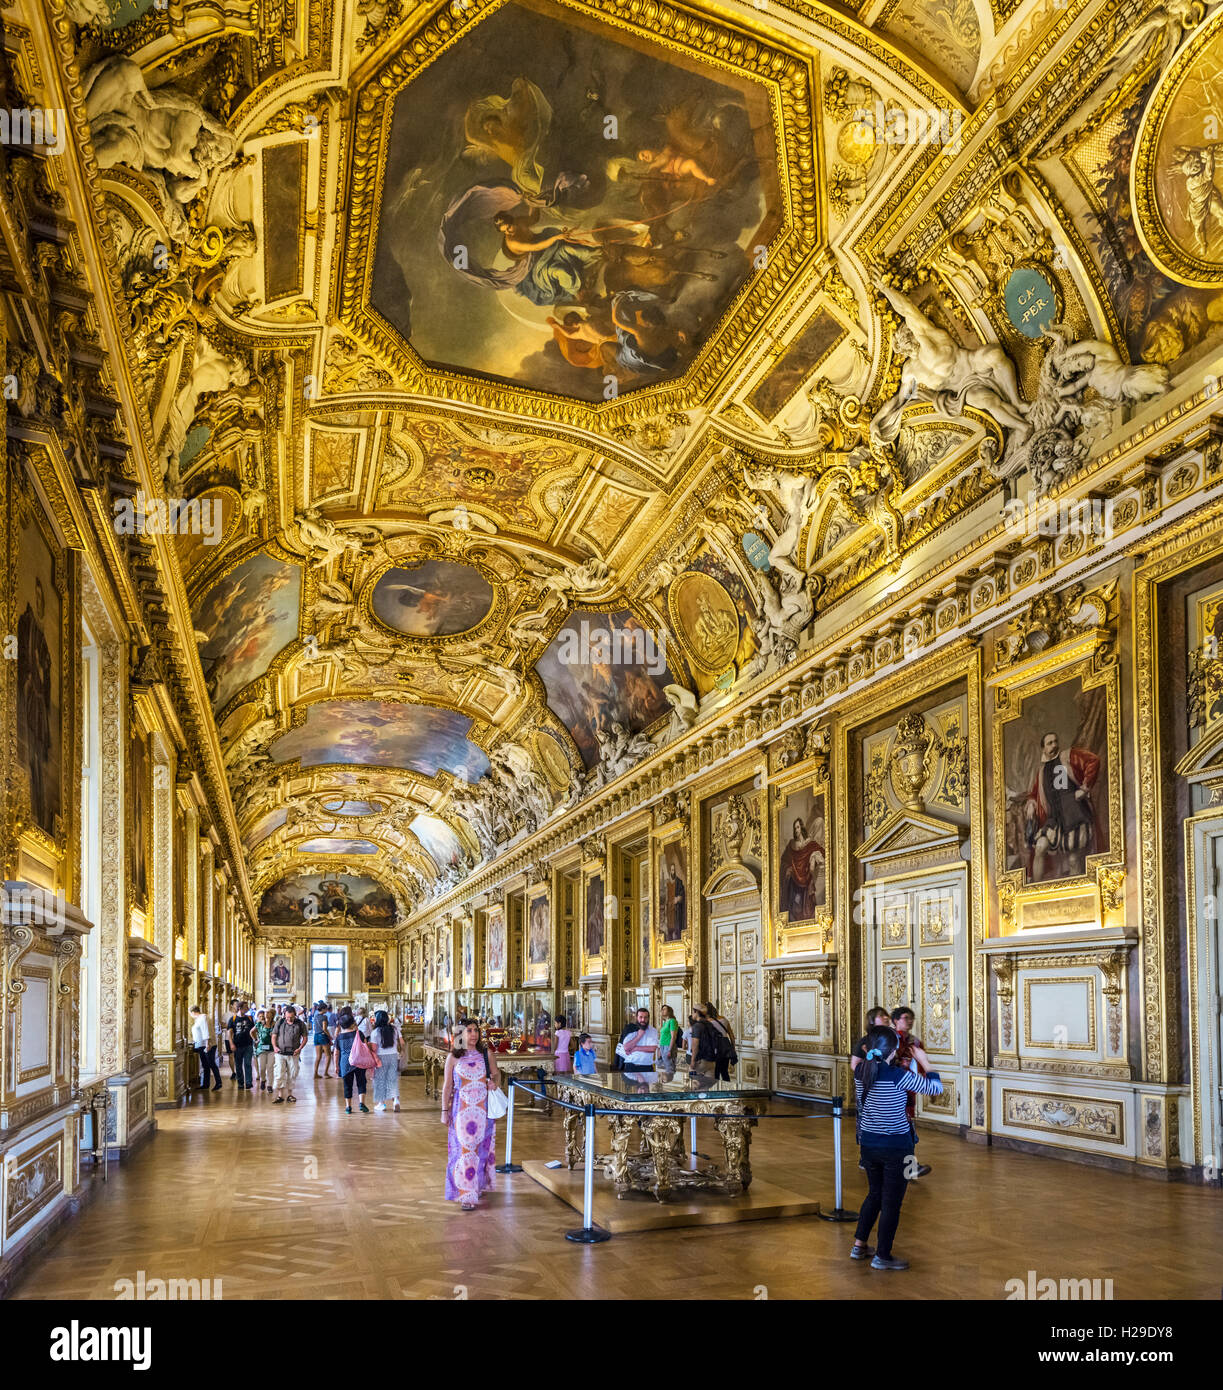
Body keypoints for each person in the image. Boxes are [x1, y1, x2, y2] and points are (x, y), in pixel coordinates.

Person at [851, 1023, 943, 1270]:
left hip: (869, 1145)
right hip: (897, 1149)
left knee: (874, 1194)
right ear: (892, 1051)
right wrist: (926, 1062)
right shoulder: (898, 1076)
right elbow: (936, 1088)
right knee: (892, 1202)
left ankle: (859, 1245)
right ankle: (883, 1255)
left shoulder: (860, 1072)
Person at [442, 1020, 502, 1211]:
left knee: (482, 1152)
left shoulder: (487, 1054)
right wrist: (444, 1111)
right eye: (469, 1031)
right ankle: (466, 1195)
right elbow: (447, 1086)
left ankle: (477, 1184)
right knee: (465, 1152)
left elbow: (497, 1074)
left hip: (483, 1112)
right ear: (461, 1033)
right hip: (462, 1112)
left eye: (476, 1030)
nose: (474, 1034)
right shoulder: (453, 1057)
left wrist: (494, 1083)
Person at [891, 1006, 933, 1177]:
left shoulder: (915, 1042)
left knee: (907, 1130)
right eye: (905, 1017)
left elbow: (921, 1067)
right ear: (895, 1020)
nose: (909, 1021)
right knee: (897, 1131)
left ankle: (909, 1168)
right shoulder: (891, 1040)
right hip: (892, 1091)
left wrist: (926, 1086)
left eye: (911, 1018)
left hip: (909, 1092)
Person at [334, 1009, 370, 1114]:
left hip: (345, 1063)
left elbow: (336, 1053)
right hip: (359, 1061)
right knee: (361, 1082)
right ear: (352, 1023)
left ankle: (348, 1107)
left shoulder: (339, 1037)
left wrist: (336, 1066)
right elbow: (366, 1046)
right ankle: (362, 1103)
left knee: (347, 1085)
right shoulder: (360, 1034)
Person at [271, 1005, 307, 1104]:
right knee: (279, 1072)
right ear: (284, 1015)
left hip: (293, 1053)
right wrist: (274, 1047)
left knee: (292, 1073)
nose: (289, 1019)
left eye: (291, 1017)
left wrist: (300, 1048)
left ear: (295, 1015)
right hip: (280, 1053)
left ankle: (290, 1095)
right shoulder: (280, 1022)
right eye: (287, 1017)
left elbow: (305, 1038)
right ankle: (280, 1095)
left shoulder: (300, 1024)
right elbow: (274, 1036)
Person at [371, 1009, 402, 1112]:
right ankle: (396, 1101)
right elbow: (400, 1042)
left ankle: (381, 1104)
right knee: (392, 1079)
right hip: (393, 1056)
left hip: (381, 1057)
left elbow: (374, 1049)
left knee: (380, 1080)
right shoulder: (394, 1029)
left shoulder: (375, 1032)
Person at [615, 1007, 659, 1072]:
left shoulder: (653, 1030)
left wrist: (635, 1048)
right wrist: (639, 1036)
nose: (643, 1020)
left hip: (647, 1066)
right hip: (631, 1066)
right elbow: (626, 1048)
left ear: (649, 1018)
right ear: (636, 1017)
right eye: (640, 1017)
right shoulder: (630, 1029)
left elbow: (653, 1048)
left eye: (645, 1017)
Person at [703, 1000, 737, 1082]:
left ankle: (716, 1091)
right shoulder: (724, 1019)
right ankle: (727, 1091)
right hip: (726, 1047)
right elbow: (732, 1036)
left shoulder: (707, 1022)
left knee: (716, 1072)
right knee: (725, 1072)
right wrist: (733, 1048)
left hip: (715, 1047)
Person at [190, 1005, 221, 1091]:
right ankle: (205, 1084)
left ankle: (218, 1082)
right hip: (201, 1045)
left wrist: (207, 1044)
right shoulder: (200, 1019)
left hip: (207, 1045)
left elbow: (205, 1031)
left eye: (190, 1013)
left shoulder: (202, 1018)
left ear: (193, 1012)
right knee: (205, 1065)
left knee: (211, 1064)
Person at [227, 1001, 255, 1091]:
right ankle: (240, 1082)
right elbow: (229, 1033)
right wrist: (231, 1044)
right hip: (237, 1045)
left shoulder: (250, 1018)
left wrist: (256, 1040)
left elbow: (254, 1030)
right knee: (238, 1064)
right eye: (246, 1007)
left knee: (247, 1063)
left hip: (248, 1044)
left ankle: (248, 1082)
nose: (247, 1009)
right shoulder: (233, 1019)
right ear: (240, 1008)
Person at [253, 1010, 274, 1092]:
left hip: (272, 1049)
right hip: (261, 1049)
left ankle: (269, 1085)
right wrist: (256, 1039)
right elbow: (251, 1032)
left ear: (272, 1016)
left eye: (269, 1014)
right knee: (262, 1068)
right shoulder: (259, 1024)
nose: (267, 1015)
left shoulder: (275, 1025)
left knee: (270, 1067)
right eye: (266, 1014)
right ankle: (263, 1080)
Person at [312, 1005, 333, 1079]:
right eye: (326, 1008)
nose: (327, 1009)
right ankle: (325, 1073)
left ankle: (315, 1073)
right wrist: (330, 1036)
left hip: (316, 1036)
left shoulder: (316, 1016)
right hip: (323, 1036)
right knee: (328, 1055)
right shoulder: (324, 1017)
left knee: (318, 1056)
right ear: (323, 1009)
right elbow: (324, 1028)